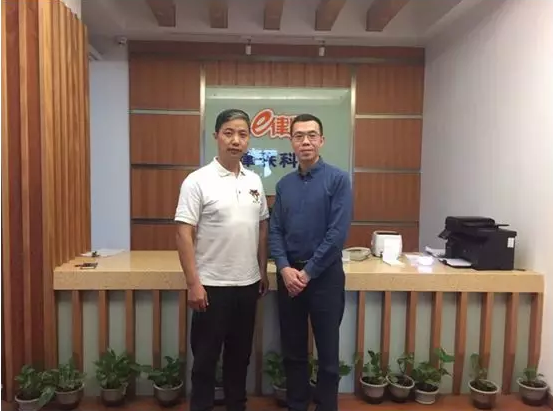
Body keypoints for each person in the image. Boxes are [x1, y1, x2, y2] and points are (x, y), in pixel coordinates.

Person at [175, 109, 270, 411]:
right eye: (229, 133)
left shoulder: (254, 180)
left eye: (242, 134)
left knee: (240, 358)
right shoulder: (197, 181)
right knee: (205, 360)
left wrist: (262, 269)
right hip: (211, 287)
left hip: (248, 285)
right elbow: (183, 233)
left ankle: (236, 406)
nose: (235, 140)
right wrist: (193, 284)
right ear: (216, 136)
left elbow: (262, 227)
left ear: (249, 140)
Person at [268, 113, 353, 411]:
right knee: (293, 351)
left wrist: (308, 273)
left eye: (311, 135)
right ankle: (296, 404)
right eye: (299, 136)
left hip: (325, 277)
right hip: (289, 276)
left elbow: (337, 234)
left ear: (321, 140)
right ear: (291, 142)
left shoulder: (338, 180)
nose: (305, 141)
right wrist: (283, 267)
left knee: (327, 354)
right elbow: (275, 230)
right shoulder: (284, 185)